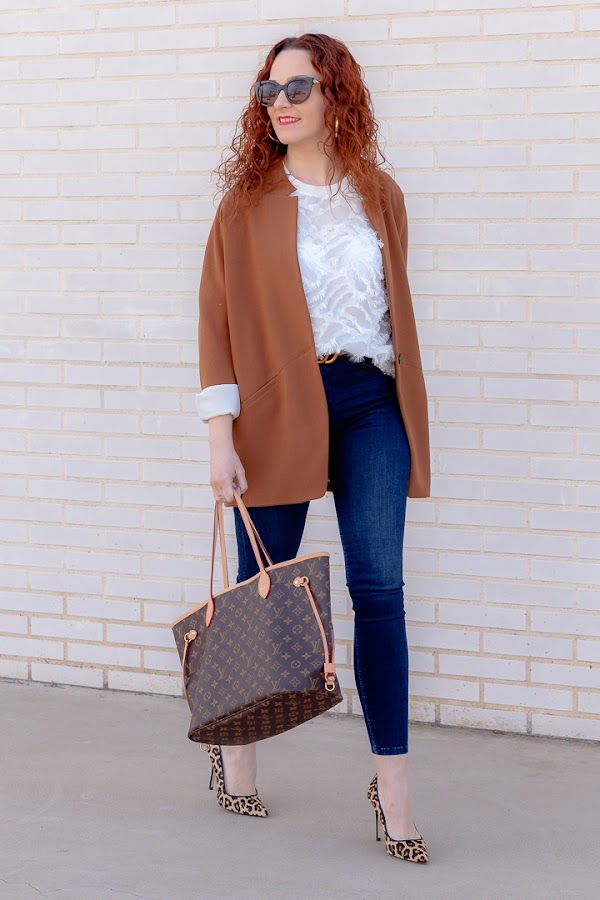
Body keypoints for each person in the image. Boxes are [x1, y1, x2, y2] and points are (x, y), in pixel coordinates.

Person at [193, 33, 430, 864]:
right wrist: (220, 435)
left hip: (369, 403)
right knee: (261, 586)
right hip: (277, 407)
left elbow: (390, 312)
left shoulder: (380, 195)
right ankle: (236, 752)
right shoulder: (245, 203)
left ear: (337, 95)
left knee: (380, 591)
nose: (281, 103)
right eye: (270, 91)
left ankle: (393, 790)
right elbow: (216, 322)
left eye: (299, 87)